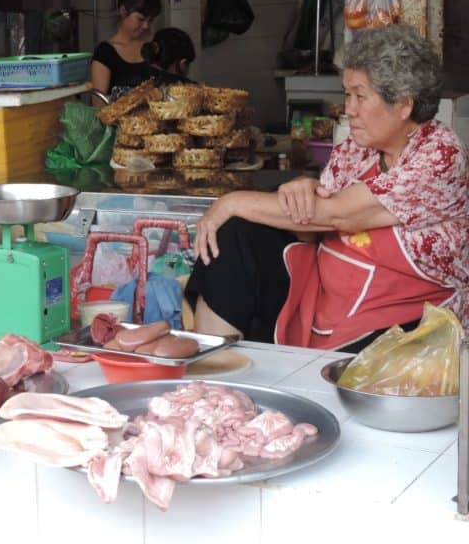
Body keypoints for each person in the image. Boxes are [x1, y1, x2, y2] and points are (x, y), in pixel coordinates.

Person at [184, 24, 468, 352]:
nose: (349, 109)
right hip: (327, 298)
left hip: (402, 316)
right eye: (347, 95)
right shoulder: (357, 148)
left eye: (360, 96)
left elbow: (338, 215)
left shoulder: (439, 153)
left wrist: (230, 201)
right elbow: (310, 221)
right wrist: (299, 192)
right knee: (236, 235)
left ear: (404, 105)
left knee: (236, 214)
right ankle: (214, 366)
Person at [90, 0, 161, 103]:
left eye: (150, 20)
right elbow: (98, 104)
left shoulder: (150, 47)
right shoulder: (105, 53)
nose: (146, 26)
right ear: (123, 11)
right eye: (141, 19)